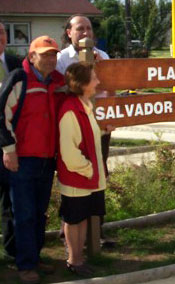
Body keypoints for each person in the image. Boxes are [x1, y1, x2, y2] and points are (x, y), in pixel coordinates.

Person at [0, 35, 65, 284]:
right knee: (24, 213)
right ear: (31, 56)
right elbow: (1, 115)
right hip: (22, 160)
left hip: (46, 160)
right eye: (45, 54)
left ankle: (34, 257)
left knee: (39, 213)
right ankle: (25, 265)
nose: (50, 59)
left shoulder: (54, 82)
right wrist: (9, 150)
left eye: (53, 55)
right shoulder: (19, 78)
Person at [56, 14, 114, 247]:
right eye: (80, 28)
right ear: (69, 32)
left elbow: (112, 91)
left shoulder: (105, 56)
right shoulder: (61, 59)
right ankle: (69, 235)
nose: (86, 33)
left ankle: (96, 233)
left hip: (101, 128)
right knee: (75, 180)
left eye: (89, 28)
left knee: (99, 177)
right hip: (74, 128)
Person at [58, 62, 111, 276]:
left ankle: (79, 259)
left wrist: (103, 131)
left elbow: (88, 137)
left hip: (86, 178)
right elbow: (69, 153)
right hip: (77, 178)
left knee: (82, 219)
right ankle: (74, 260)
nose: (98, 81)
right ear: (82, 84)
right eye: (94, 78)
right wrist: (89, 169)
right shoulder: (70, 111)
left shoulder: (84, 106)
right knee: (74, 220)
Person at [0, 21, 21, 261]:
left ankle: (12, 251)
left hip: (10, 143)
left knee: (9, 201)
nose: (0, 37)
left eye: (3, 32)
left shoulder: (16, 63)